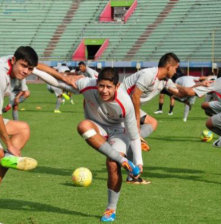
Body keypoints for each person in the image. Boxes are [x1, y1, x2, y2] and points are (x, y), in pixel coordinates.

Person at [34, 67, 143, 222]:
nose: (104, 90)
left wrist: (139, 162)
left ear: (117, 86)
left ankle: (110, 209)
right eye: (101, 86)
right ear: (96, 82)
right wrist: (34, 71)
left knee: (112, 164)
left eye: (109, 87)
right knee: (83, 126)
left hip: (118, 132)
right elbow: (59, 83)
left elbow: (133, 136)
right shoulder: (87, 84)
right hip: (96, 127)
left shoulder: (126, 102)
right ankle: (123, 161)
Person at [121, 53, 181, 153]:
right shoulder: (148, 75)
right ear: (169, 67)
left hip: (129, 106)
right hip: (121, 104)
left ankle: (134, 140)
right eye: (175, 68)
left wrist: (201, 86)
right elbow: (135, 96)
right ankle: (133, 140)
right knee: (132, 135)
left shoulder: (165, 80)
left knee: (152, 123)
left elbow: (179, 93)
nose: (176, 71)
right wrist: (137, 121)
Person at [0, 46, 39, 184]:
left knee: (23, 129)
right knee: (1, 155)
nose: (26, 71)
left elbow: (42, 70)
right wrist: (9, 145)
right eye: (23, 66)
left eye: (30, 69)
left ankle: (7, 160)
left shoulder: (16, 69)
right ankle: (6, 158)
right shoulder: (1, 74)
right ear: (14, 60)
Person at [178, 76, 221, 147]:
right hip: (220, 103)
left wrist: (174, 85)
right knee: (207, 114)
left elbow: (189, 92)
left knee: (209, 123)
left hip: (220, 104)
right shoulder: (217, 82)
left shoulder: (217, 82)